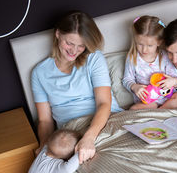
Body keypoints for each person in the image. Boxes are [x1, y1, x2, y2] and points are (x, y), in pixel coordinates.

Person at [31, 11, 123, 163]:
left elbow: (104, 103)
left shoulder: (94, 58)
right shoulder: (39, 73)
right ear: (58, 34)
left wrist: (89, 138)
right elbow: (45, 120)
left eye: (81, 46)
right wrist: (44, 146)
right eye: (69, 43)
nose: (74, 51)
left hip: (106, 120)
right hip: (70, 132)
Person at [122, 15, 177, 110]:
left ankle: (160, 110)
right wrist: (135, 87)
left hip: (167, 96)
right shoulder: (132, 58)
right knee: (133, 109)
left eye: (150, 45)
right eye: (140, 44)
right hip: (148, 100)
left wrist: (173, 81)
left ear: (159, 42)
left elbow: (176, 78)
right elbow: (127, 79)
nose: (144, 49)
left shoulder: (165, 56)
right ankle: (158, 109)